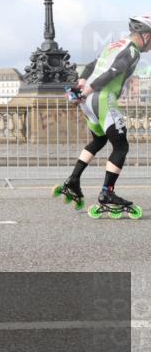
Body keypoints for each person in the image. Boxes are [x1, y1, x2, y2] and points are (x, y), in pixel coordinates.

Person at [60, 15, 151, 216]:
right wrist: (87, 90)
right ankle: (107, 193)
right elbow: (112, 72)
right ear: (145, 36)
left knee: (99, 140)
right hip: (101, 99)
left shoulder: (114, 45)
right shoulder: (133, 51)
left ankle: (73, 180)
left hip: (88, 103)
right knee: (121, 146)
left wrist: (81, 82)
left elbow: (93, 64)